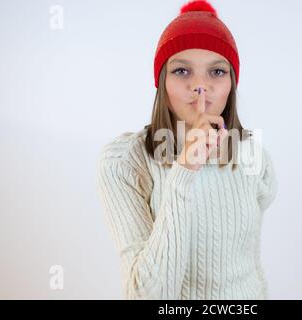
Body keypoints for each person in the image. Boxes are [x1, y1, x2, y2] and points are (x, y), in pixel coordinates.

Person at [96, 0, 278, 300]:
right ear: (161, 83)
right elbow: (146, 295)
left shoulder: (254, 158)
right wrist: (184, 170)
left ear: (232, 83)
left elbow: (250, 272)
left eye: (217, 72)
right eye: (182, 71)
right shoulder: (123, 162)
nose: (200, 87)